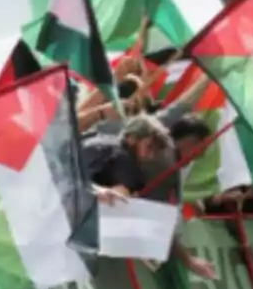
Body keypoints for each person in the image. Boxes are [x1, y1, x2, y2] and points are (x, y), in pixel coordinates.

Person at [82, 114, 216, 279]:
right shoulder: (107, 151)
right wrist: (96, 191)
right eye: (151, 145)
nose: (152, 155)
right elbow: (65, 177)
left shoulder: (135, 171)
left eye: (159, 147)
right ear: (132, 139)